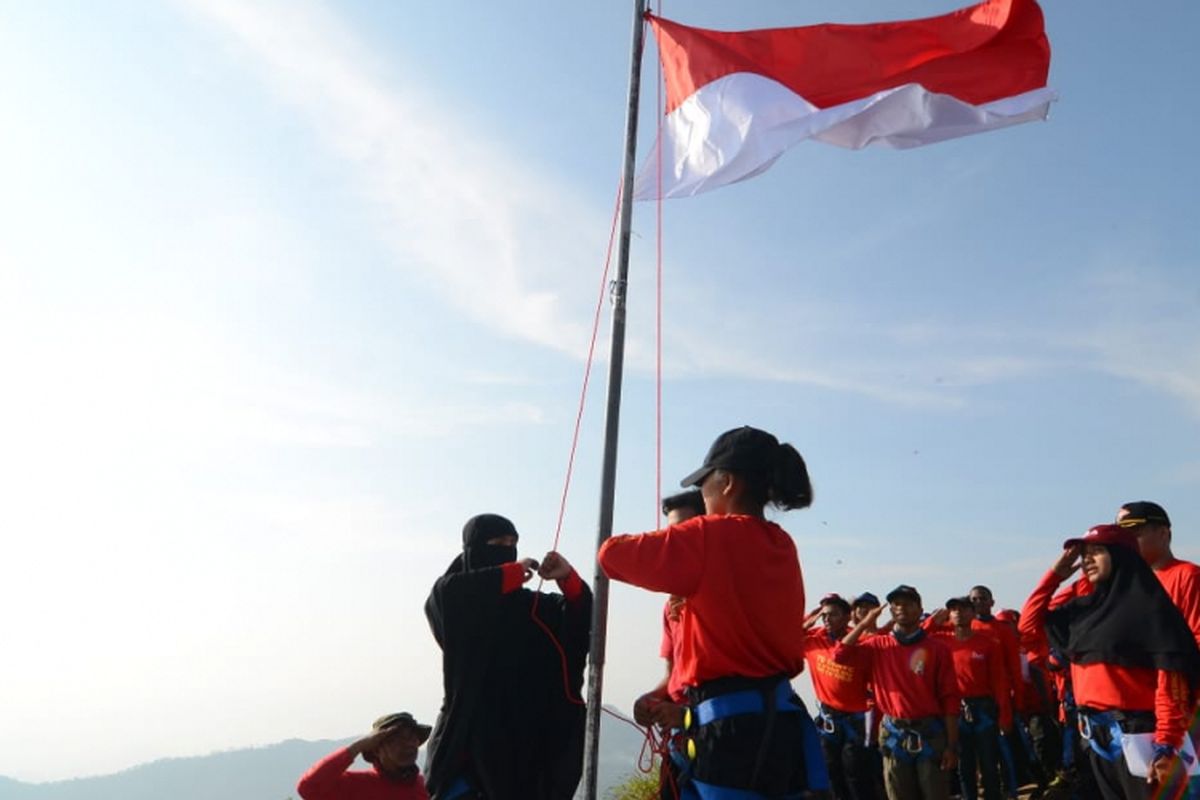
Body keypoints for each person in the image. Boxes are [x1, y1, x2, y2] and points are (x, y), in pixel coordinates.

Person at [598, 425, 828, 799]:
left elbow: (611, 555)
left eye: (704, 482)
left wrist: (677, 537)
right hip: (778, 724)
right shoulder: (781, 543)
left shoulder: (708, 536)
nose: (701, 493)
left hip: (729, 734)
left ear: (727, 483)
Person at [1019, 524, 1200, 800]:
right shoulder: (1082, 612)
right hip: (1095, 738)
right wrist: (1055, 575)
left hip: (1141, 737)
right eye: (1084, 554)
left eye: (1097, 552)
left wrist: (1166, 746)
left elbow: (1171, 685)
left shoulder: (1150, 610)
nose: (1086, 560)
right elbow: (1029, 626)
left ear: (1122, 555)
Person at [424, 514, 592, 800]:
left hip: (530, 746)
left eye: (512, 543)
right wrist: (512, 573)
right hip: (470, 741)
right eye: (497, 543)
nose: (507, 548)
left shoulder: (533, 607)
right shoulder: (449, 595)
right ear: (474, 548)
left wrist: (568, 578)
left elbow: (577, 619)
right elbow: (457, 596)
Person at [837, 585, 960, 800]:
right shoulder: (878, 646)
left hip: (930, 733)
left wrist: (951, 745)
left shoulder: (937, 649)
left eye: (908, 603)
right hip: (894, 733)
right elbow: (840, 654)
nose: (901, 608)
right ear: (891, 610)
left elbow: (950, 699)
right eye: (896, 604)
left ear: (919, 608)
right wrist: (864, 624)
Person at [632, 489, 706, 800]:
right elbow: (674, 673)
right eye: (670, 537)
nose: (675, 545)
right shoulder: (672, 607)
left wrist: (687, 715)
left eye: (685, 533)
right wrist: (651, 698)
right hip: (681, 740)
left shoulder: (728, 599)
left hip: (723, 741)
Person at [803, 593, 878, 800]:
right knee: (832, 774)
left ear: (847, 617)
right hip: (829, 721)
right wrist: (811, 618)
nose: (827, 619)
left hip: (856, 721)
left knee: (856, 775)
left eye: (833, 615)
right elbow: (787, 638)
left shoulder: (863, 644)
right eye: (824, 615)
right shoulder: (814, 641)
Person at [933, 598, 1009, 800]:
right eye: (954, 609)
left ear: (973, 613)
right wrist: (932, 621)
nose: (959, 613)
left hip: (984, 709)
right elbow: (918, 635)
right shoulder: (940, 641)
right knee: (964, 765)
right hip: (954, 711)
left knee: (988, 763)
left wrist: (1004, 716)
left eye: (964, 609)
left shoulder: (988, 643)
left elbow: (999, 682)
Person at [1117, 501, 1200, 647]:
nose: (1126, 542)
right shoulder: (1121, 582)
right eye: (1122, 536)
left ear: (1163, 534)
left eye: (1135, 534)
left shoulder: (1188, 575)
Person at [298, 712, 431, 800]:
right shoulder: (353, 786)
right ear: (376, 749)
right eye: (397, 739)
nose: (408, 744)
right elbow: (308, 788)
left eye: (412, 738)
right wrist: (357, 747)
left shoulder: (428, 787)